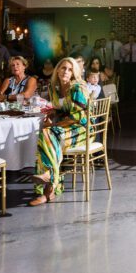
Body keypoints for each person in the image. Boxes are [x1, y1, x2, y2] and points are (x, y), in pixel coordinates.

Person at [30, 57, 90, 206]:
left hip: (82, 129)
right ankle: (50, 185)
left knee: (48, 134)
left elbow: (78, 117)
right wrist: (51, 118)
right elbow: (57, 109)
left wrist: (55, 125)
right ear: (57, 70)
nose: (66, 71)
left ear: (74, 73)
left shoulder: (78, 88)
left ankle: (49, 185)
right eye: (63, 68)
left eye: (70, 69)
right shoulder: (53, 88)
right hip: (64, 127)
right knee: (46, 134)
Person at [120, 33, 136, 100]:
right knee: (127, 80)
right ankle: (127, 95)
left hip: (134, 64)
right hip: (127, 64)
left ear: (134, 39)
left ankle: (135, 95)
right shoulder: (125, 46)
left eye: (132, 38)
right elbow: (122, 56)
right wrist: (127, 53)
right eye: (130, 38)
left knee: (135, 80)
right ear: (128, 39)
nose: (131, 39)